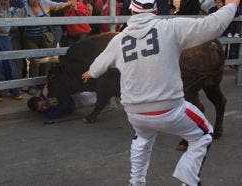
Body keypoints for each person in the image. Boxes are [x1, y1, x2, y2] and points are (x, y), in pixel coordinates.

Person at [81, 0, 239, 185]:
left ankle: (136, 182)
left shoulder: (118, 40)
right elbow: (211, 26)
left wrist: (90, 72)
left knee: (142, 139)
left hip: (135, 113)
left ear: (131, 10)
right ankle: (189, 181)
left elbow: (98, 66)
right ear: (155, 9)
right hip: (170, 109)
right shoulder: (170, 28)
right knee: (204, 134)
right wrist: (231, 5)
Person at [27, 85, 96, 120]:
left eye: (42, 105)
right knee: (97, 98)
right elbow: (65, 105)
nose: (44, 107)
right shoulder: (50, 114)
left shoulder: (45, 93)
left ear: (40, 98)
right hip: (77, 102)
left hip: (75, 92)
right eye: (42, 109)